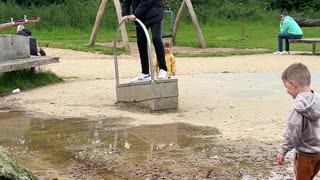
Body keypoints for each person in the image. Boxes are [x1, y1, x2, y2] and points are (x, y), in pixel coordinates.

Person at [276, 63, 320, 179]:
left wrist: (282, 151)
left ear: (293, 84)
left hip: (305, 155)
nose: (286, 90)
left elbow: (292, 133)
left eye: (286, 86)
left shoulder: (297, 108)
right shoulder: (318, 100)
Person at [122, 0, 168, 81]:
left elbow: (147, 1)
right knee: (141, 42)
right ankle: (145, 73)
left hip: (154, 12)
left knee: (156, 38)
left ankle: (163, 69)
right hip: (141, 17)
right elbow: (126, 2)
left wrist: (136, 14)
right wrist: (125, 14)